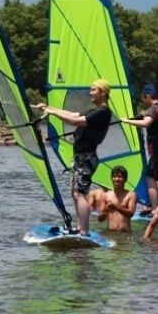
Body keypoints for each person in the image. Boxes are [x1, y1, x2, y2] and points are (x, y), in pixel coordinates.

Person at [34, 79, 112, 236]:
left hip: (87, 157)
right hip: (80, 157)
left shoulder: (103, 112)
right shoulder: (93, 110)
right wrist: (49, 108)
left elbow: (76, 121)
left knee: (79, 193)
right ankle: (80, 228)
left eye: (94, 90)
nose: (90, 93)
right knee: (75, 193)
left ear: (103, 93)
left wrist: (52, 113)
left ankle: (84, 231)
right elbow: (72, 114)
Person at [120, 83, 158, 214]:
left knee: (150, 177)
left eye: (143, 99)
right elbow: (149, 119)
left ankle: (154, 209)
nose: (143, 102)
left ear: (147, 96)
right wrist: (139, 116)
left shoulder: (153, 109)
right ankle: (152, 206)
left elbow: (146, 123)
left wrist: (127, 121)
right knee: (153, 177)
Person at [97, 165, 137, 232]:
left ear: (125, 179)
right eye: (114, 176)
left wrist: (116, 207)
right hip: (111, 233)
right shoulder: (105, 195)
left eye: (120, 177)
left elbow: (131, 214)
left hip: (125, 234)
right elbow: (100, 219)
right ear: (111, 178)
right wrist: (106, 210)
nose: (116, 179)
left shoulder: (131, 195)